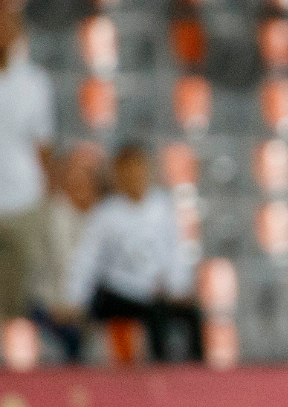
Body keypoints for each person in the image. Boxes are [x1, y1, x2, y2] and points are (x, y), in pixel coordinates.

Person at [65, 144, 203, 362]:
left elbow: (176, 249)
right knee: (155, 313)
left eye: (138, 170)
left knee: (191, 314)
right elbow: (86, 259)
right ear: (117, 175)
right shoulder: (106, 213)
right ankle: (159, 371)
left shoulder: (163, 206)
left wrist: (178, 286)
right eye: (127, 171)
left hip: (157, 291)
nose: (134, 177)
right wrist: (76, 298)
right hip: (119, 291)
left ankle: (198, 376)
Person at [0, 2, 55, 326]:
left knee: (19, 294)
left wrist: (48, 194)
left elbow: (42, 144)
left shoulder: (35, 81)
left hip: (23, 197)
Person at [29, 145, 106, 364]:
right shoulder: (52, 214)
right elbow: (60, 267)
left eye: (86, 175)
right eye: (73, 174)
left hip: (94, 311)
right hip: (50, 311)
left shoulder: (106, 216)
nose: (79, 182)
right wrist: (67, 306)